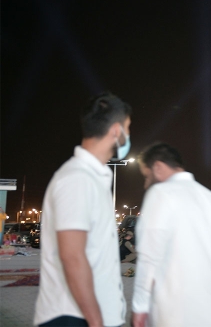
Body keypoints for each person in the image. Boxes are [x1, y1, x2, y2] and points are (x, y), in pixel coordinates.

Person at [34, 92, 131, 327]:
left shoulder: (92, 178)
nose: (128, 135)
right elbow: (72, 256)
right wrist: (96, 321)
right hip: (73, 317)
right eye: (128, 128)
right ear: (116, 130)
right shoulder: (77, 179)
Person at [132, 142, 211, 327]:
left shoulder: (161, 194)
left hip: (176, 316)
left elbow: (149, 259)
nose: (146, 183)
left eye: (146, 176)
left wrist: (139, 307)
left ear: (157, 167)